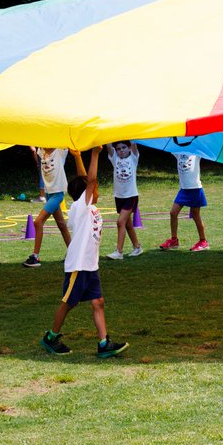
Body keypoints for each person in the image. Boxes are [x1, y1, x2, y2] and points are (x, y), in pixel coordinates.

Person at [40, 148, 129, 358]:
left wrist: (78, 156)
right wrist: (96, 154)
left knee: (98, 302)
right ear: (86, 193)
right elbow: (90, 180)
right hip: (78, 266)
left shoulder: (86, 205)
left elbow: (85, 180)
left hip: (90, 266)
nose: (97, 191)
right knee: (69, 302)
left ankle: (104, 343)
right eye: (94, 189)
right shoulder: (81, 206)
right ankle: (51, 337)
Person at [22, 147, 72, 268]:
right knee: (62, 225)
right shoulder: (42, 151)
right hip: (49, 193)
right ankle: (73, 253)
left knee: (38, 222)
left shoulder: (60, 151)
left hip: (57, 194)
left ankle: (35, 256)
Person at [159, 152, 209, 251]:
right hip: (184, 190)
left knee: (196, 216)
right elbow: (170, 146)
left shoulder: (196, 153)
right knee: (173, 213)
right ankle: (174, 241)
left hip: (195, 189)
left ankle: (203, 242)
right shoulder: (178, 153)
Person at [105, 141, 142, 260]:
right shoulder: (115, 159)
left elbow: (134, 142)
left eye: (124, 147)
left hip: (131, 196)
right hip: (119, 196)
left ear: (129, 148)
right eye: (118, 148)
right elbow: (108, 146)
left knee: (120, 222)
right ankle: (137, 247)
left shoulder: (133, 158)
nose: (121, 150)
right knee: (127, 224)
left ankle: (119, 252)